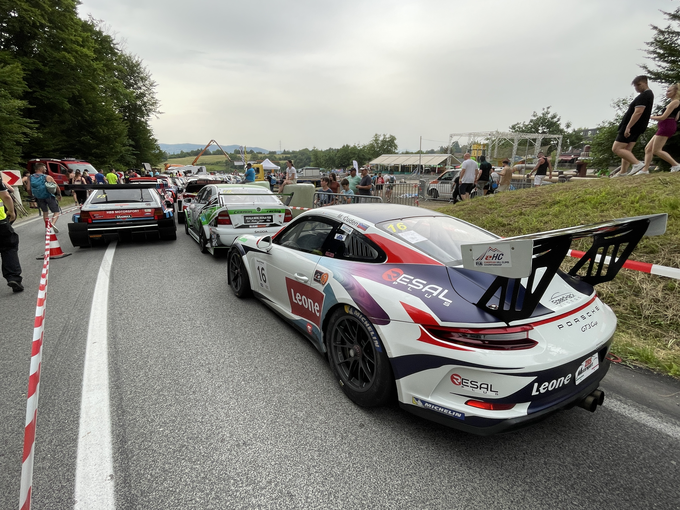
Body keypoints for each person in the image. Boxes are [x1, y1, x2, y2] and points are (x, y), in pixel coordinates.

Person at [611, 75, 654, 177]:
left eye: (638, 85)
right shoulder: (649, 95)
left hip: (632, 126)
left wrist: (628, 126)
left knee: (616, 148)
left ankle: (637, 164)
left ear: (645, 83)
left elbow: (638, 112)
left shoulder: (644, 96)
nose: (637, 88)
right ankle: (623, 172)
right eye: (635, 86)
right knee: (627, 150)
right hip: (639, 127)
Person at [641, 82, 680, 174]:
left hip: (666, 126)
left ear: (676, 91)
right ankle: (645, 170)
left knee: (656, 150)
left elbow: (663, 117)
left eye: (669, 91)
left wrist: (649, 117)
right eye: (666, 91)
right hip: (666, 125)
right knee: (648, 148)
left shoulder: (675, 102)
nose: (667, 92)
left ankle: (676, 165)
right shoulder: (674, 103)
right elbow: (677, 118)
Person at [0, 179, 23, 292]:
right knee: (9, 247)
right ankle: (13, 278)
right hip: (1, 222)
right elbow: (7, 195)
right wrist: (11, 211)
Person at [28, 163, 62, 232]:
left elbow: (28, 188)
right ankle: (52, 223)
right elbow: (57, 187)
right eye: (45, 168)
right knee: (56, 211)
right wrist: (59, 194)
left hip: (39, 197)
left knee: (45, 212)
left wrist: (32, 196)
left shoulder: (30, 177)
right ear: (40, 169)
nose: (46, 169)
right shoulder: (46, 177)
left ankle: (47, 227)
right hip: (49, 196)